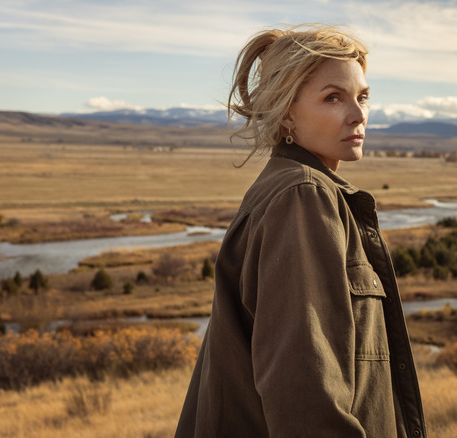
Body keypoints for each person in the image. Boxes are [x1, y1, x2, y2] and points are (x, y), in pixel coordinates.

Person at [175, 26, 427, 438]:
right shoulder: (303, 196)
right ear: (286, 111)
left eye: (362, 97)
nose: (358, 114)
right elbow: (307, 399)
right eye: (333, 98)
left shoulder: (296, 187)